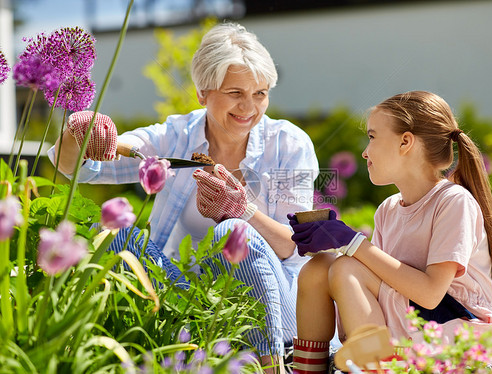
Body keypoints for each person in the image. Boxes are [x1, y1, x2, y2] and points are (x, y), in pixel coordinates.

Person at [49, 22, 318, 373]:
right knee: (119, 236)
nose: (249, 107)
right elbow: (84, 168)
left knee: (233, 232)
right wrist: (80, 131)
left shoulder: (290, 145)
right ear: (203, 93)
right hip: (187, 299)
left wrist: (243, 210)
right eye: (235, 92)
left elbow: (296, 247)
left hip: (274, 313)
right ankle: (143, 347)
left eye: (261, 93)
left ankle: (271, 367)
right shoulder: (176, 136)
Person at [287, 91, 492, 373]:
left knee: (347, 267)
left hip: (457, 344)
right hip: (412, 329)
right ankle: (310, 369)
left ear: (405, 142)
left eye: (372, 137)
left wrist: (351, 243)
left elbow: (431, 293)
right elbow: (382, 282)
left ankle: (375, 366)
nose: (365, 151)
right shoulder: (388, 210)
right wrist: (334, 241)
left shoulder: (454, 202)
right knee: (318, 267)